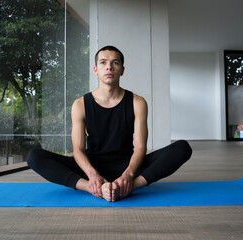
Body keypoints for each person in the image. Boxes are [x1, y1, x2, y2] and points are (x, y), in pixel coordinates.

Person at [27, 46, 192, 202]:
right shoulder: (80, 104)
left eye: (115, 62)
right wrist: (92, 176)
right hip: (92, 166)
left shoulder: (137, 102)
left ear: (122, 70)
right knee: (34, 156)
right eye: (103, 62)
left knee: (182, 148)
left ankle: (129, 187)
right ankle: (92, 188)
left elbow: (141, 147)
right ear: (95, 70)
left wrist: (128, 175)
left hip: (128, 165)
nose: (109, 67)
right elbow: (78, 149)